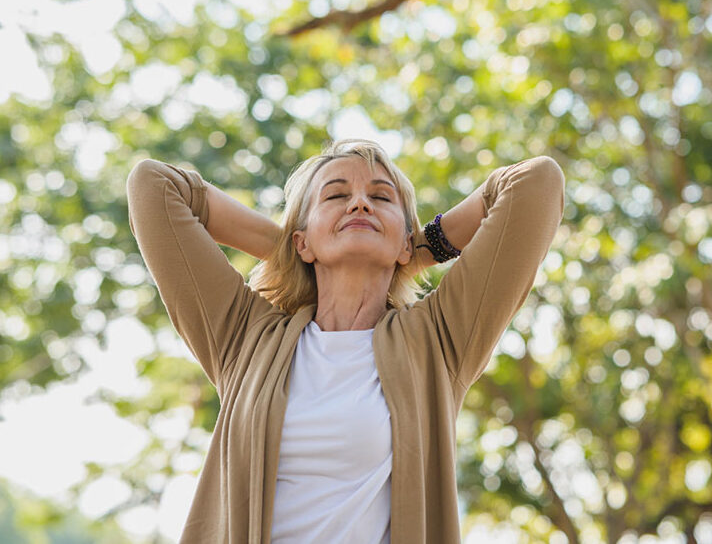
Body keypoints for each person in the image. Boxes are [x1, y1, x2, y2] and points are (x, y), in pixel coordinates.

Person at [126, 138, 565, 543]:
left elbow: (535, 184)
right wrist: (291, 250)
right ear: (302, 241)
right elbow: (154, 186)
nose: (359, 202)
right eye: (336, 196)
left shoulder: (438, 339)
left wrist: (416, 249)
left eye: (380, 197)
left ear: (405, 244)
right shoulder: (245, 336)